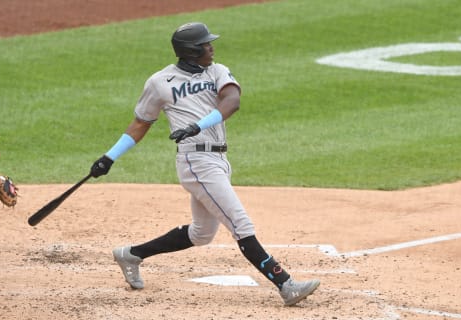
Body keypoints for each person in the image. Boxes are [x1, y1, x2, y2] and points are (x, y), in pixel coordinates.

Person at [90, 22, 319, 306]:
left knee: (201, 234)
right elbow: (140, 123)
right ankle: (286, 285)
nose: (211, 47)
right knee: (240, 223)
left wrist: (198, 125)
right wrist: (109, 157)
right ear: (190, 50)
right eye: (205, 44)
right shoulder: (160, 82)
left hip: (219, 158)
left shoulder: (217, 70)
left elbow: (232, 100)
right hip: (195, 161)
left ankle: (131, 254)